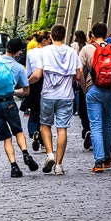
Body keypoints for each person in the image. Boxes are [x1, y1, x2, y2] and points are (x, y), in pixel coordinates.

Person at [0, 38, 40, 178]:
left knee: (6, 137)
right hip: (8, 102)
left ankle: (14, 167)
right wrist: (13, 91)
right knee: (18, 131)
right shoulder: (19, 68)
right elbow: (26, 91)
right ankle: (25, 153)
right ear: (18, 52)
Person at [29, 25, 82, 176]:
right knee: (62, 128)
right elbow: (78, 76)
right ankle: (58, 165)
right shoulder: (72, 52)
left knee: (45, 125)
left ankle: (50, 154)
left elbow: (38, 75)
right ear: (64, 36)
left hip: (48, 95)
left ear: (51, 36)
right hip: (66, 96)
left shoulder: (44, 51)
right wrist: (85, 88)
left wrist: (26, 83)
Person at [79, 22, 111, 173]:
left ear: (92, 35)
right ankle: (107, 158)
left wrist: (84, 88)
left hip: (93, 90)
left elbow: (79, 72)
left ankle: (98, 161)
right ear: (107, 35)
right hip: (110, 90)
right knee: (107, 125)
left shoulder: (86, 49)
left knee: (95, 126)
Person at [23, 30, 51, 150]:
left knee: (34, 111)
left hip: (34, 82)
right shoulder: (49, 51)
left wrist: (26, 83)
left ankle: (34, 131)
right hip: (46, 82)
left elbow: (28, 70)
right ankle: (45, 139)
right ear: (44, 40)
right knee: (45, 112)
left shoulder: (31, 52)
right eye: (48, 40)